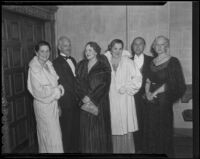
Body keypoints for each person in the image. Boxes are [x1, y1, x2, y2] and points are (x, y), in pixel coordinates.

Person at [143, 35, 186, 157]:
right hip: (150, 99)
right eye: (157, 44)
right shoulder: (152, 61)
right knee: (150, 127)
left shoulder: (173, 61)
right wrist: (147, 93)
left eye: (162, 44)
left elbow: (172, 83)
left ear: (167, 46)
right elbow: (147, 79)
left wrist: (154, 93)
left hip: (163, 100)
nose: (159, 47)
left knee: (162, 128)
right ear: (153, 46)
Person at [104, 39, 142, 153]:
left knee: (125, 124)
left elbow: (138, 79)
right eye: (115, 48)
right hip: (110, 98)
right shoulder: (105, 62)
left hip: (125, 99)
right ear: (110, 48)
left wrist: (126, 87)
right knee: (113, 125)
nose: (118, 51)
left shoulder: (128, 62)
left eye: (120, 48)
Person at [27, 41, 64, 153]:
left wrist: (58, 104)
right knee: (49, 136)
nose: (45, 54)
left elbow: (56, 84)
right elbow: (39, 92)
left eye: (47, 51)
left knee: (55, 135)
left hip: (53, 104)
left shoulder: (49, 65)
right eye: (42, 51)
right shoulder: (33, 69)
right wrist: (57, 91)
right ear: (36, 52)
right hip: (43, 106)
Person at [75, 41, 112, 153]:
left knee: (97, 133)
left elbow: (104, 85)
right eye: (86, 50)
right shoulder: (81, 65)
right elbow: (76, 83)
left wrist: (90, 97)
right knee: (86, 133)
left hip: (98, 103)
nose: (87, 52)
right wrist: (82, 97)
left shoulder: (103, 66)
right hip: (84, 104)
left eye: (90, 50)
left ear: (96, 51)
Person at [53, 36, 80, 153]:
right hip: (66, 102)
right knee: (66, 131)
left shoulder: (73, 60)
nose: (68, 48)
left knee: (75, 129)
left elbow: (76, 79)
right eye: (65, 45)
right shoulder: (55, 63)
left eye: (69, 45)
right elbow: (59, 83)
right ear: (59, 47)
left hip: (76, 101)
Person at [130, 37, 153, 153]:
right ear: (132, 46)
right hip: (132, 98)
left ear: (144, 46)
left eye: (140, 44)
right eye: (135, 44)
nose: (138, 46)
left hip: (147, 98)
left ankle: (146, 148)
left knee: (147, 123)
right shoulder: (127, 60)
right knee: (134, 123)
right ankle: (136, 147)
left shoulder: (152, 60)